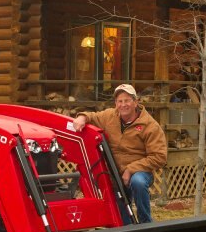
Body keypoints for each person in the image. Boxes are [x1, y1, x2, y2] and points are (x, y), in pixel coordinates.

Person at [72, 84, 167, 223]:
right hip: (114, 174)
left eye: (127, 100)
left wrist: (130, 169)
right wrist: (82, 118)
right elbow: (91, 116)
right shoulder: (109, 116)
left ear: (136, 102)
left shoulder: (150, 125)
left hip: (139, 172)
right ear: (116, 103)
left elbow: (160, 157)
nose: (123, 105)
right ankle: (126, 230)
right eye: (120, 101)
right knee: (121, 214)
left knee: (138, 182)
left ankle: (146, 224)